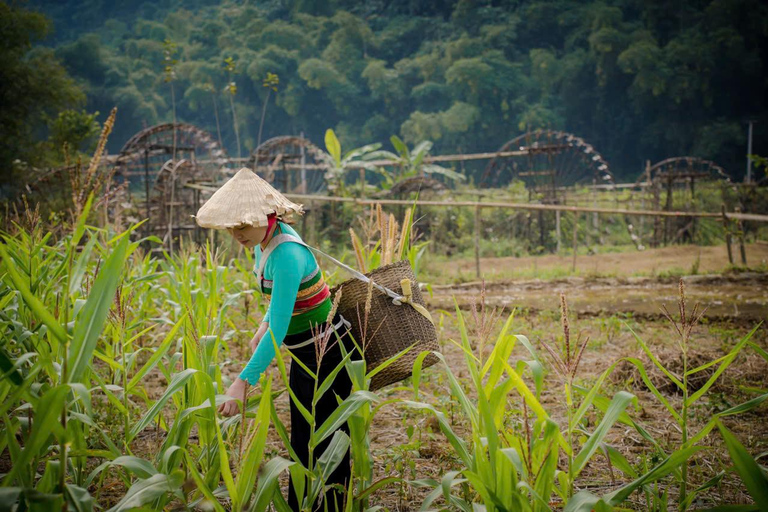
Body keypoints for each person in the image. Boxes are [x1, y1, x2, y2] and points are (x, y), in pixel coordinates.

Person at [195, 168, 358, 511]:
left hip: (328, 352)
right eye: (231, 227)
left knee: (328, 443)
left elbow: (279, 330)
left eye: (242, 225)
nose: (236, 234)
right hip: (306, 354)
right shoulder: (265, 241)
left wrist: (243, 382)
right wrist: (261, 323)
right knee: (303, 440)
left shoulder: (285, 254)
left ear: (267, 215)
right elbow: (280, 303)